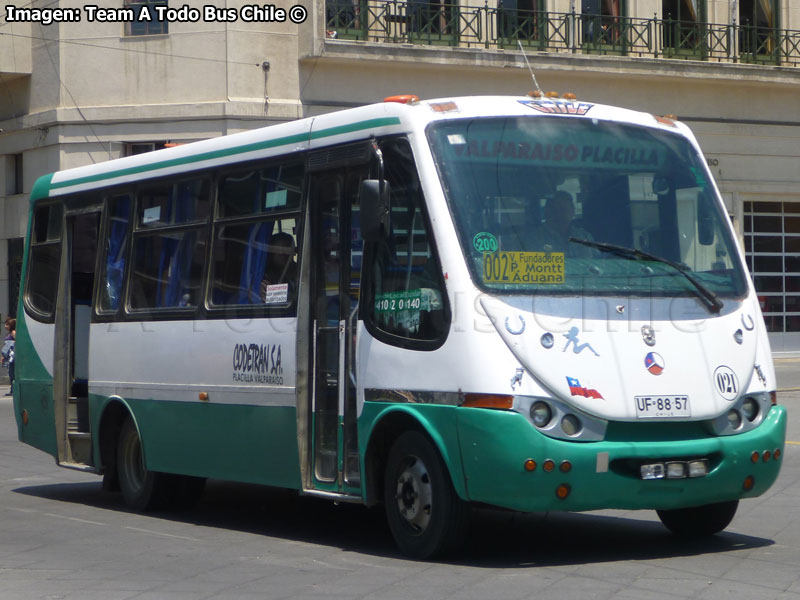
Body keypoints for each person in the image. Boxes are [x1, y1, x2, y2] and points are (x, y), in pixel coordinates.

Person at [531, 191, 593, 258]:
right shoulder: (534, 239)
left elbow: (599, 262)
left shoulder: (584, 237)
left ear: (573, 212)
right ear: (545, 213)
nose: (558, 214)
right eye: (553, 210)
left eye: (562, 209)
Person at [259, 232, 298, 302]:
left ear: (293, 252)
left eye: (286, 248)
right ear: (271, 254)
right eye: (278, 249)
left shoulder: (302, 270)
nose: (282, 253)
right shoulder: (266, 277)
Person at [1, 318, 15, 396]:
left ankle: (13, 390)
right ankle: (12, 390)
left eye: (7, 324)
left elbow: (16, 341)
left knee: (12, 373)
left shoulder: (13, 332)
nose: (6, 326)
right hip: (8, 357)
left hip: (12, 357)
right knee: (10, 373)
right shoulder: (9, 333)